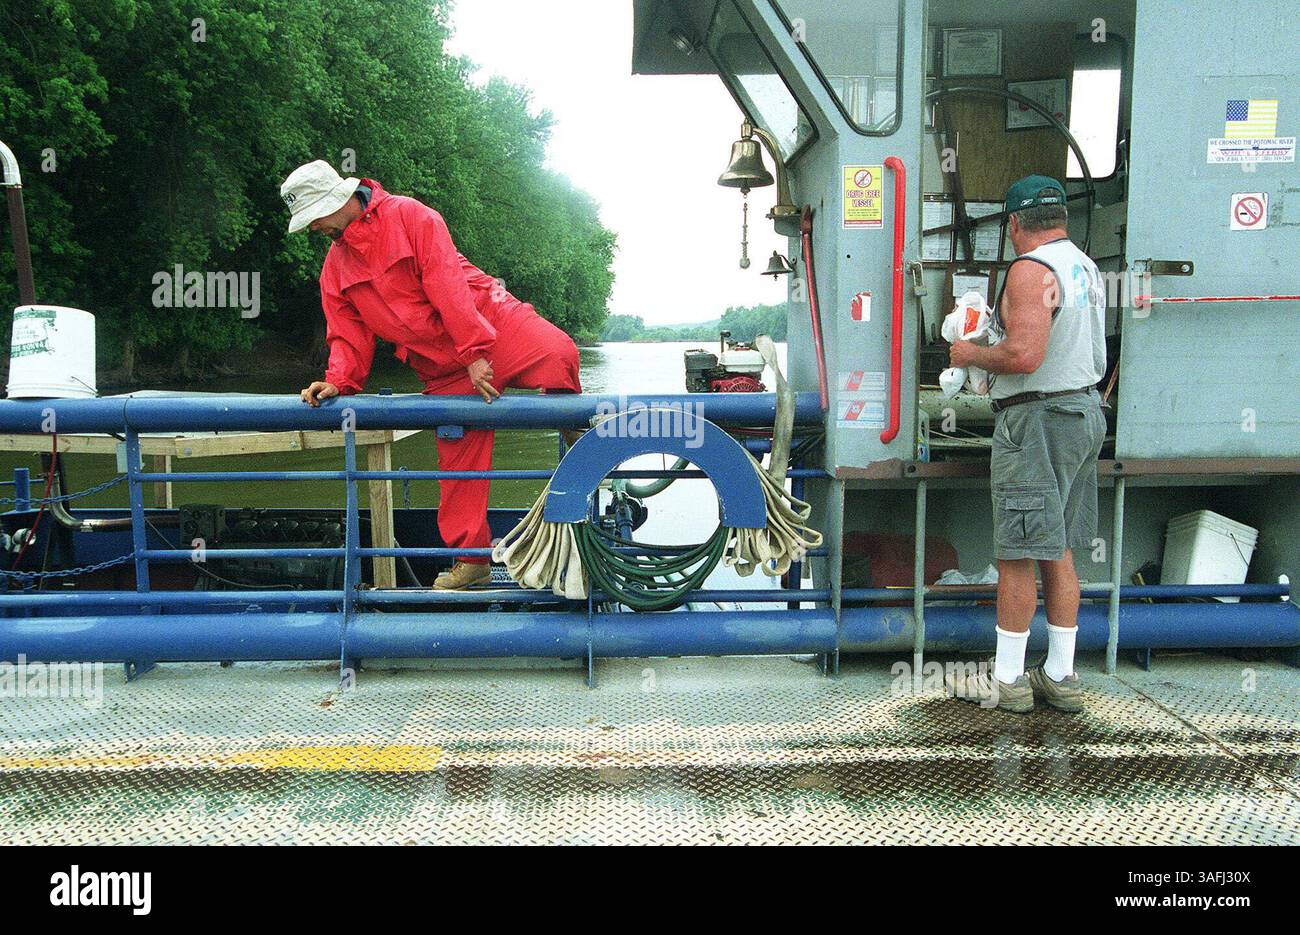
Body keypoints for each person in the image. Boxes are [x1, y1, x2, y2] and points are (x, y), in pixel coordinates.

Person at [280, 160, 581, 590]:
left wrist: (475, 351)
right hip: (442, 367)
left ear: (336, 200)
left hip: (489, 323)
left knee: (558, 352)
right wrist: (339, 382)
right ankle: (472, 561)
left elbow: (447, 285)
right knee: (458, 464)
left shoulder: (412, 216)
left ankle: (575, 435)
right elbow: (346, 334)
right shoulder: (335, 269)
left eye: (314, 219)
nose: (314, 229)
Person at [945, 175, 1107, 713]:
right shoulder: (1083, 267)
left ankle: (1009, 681)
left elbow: (1022, 357)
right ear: (1060, 217)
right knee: (1056, 548)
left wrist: (970, 356)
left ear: (1014, 224)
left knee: (1016, 553)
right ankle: (1060, 675)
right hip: (1083, 412)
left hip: (1037, 420)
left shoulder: (1030, 269)